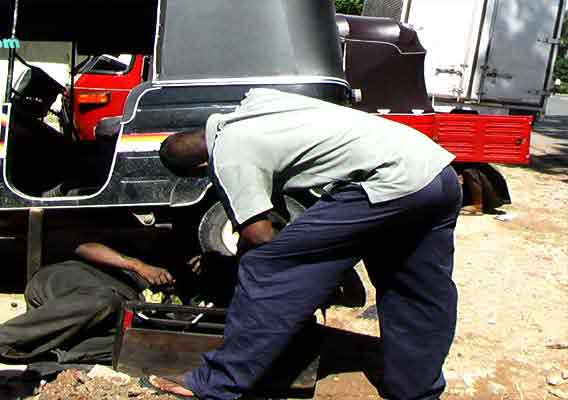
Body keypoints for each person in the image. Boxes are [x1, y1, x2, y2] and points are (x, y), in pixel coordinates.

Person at [151, 88, 462, 400]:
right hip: (436, 171)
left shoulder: (226, 157)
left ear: (200, 167)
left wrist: (237, 265)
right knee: (414, 289)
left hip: (388, 182)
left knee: (267, 267)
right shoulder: (256, 104)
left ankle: (217, 383)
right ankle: (418, 391)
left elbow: (260, 237)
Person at [0, 241, 194, 369]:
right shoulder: (153, 237)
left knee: (131, 346)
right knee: (106, 300)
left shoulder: (188, 283)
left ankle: (0, 350)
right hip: (66, 285)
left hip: (98, 319)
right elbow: (84, 247)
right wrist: (138, 266)